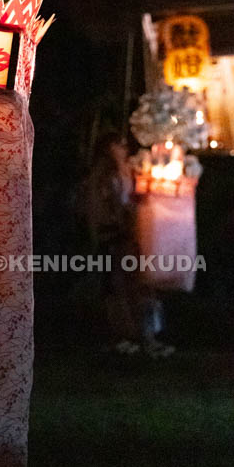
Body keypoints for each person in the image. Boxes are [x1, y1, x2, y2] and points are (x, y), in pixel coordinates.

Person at [86, 132, 173, 358]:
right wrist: (117, 224)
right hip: (117, 237)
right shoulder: (104, 176)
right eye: (119, 144)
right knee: (121, 287)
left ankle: (145, 335)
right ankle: (127, 335)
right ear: (108, 148)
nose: (124, 148)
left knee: (139, 286)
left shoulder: (129, 170)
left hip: (133, 235)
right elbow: (103, 208)